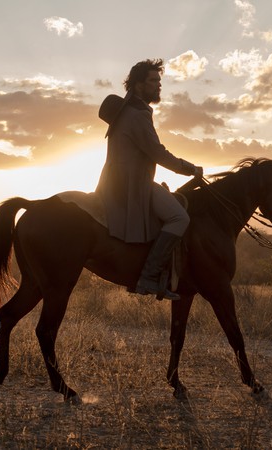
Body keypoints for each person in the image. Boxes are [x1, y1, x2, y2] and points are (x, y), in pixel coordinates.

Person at [96, 59, 203, 301]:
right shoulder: (137, 115)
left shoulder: (128, 111)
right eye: (153, 81)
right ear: (137, 85)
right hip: (132, 185)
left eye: (159, 81)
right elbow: (157, 152)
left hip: (116, 181)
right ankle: (149, 276)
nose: (158, 86)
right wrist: (190, 169)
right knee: (179, 217)